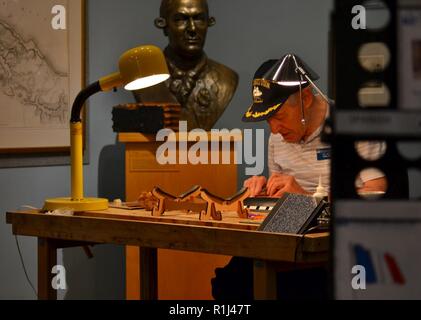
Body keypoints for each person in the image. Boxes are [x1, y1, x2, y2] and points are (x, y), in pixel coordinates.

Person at [211, 56, 388, 300]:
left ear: (305, 99)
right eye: (267, 120)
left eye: (279, 117)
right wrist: (264, 192)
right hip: (292, 240)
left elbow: (377, 197)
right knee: (229, 283)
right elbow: (284, 201)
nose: (274, 129)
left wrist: (308, 199)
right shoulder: (277, 138)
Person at [134, 0, 238, 131]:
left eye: (199, 19)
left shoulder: (227, 79)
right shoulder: (143, 76)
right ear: (163, 25)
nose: (192, 29)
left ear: (209, 22)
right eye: (180, 19)